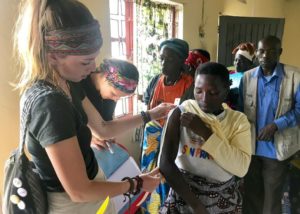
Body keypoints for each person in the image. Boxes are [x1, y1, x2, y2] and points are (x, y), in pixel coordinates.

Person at [13, 0, 174, 213]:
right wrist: (136, 184)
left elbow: (103, 128)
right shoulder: (50, 104)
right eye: (85, 61)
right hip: (73, 205)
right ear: (53, 56)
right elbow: (79, 191)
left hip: (90, 195)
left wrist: (150, 115)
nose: (92, 68)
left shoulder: (68, 83)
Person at [159, 62, 252, 214]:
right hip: (184, 195)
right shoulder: (181, 113)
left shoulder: (237, 121)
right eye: (198, 91)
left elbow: (240, 168)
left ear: (226, 88)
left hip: (222, 198)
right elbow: (165, 163)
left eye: (213, 92)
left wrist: (204, 132)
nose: (204, 99)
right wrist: (196, 206)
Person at [239, 35, 300, 214]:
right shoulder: (248, 77)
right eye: (261, 51)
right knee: (251, 195)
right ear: (256, 53)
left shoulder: (295, 77)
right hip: (251, 148)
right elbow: (241, 110)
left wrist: (275, 125)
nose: (266, 55)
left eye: (272, 51)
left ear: (280, 52)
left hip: (276, 150)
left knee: (272, 199)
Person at [141, 38, 193, 213]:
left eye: (169, 59)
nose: (163, 63)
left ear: (181, 61)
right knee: (148, 176)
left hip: (174, 141)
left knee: (168, 177)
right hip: (152, 143)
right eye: (162, 58)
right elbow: (148, 108)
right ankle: (150, 208)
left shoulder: (189, 84)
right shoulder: (156, 81)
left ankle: (166, 208)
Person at [81, 58, 140, 150]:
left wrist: (110, 136)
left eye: (120, 97)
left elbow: (107, 124)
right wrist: (90, 138)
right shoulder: (79, 86)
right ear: (105, 78)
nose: (116, 99)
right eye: (114, 94)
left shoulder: (110, 98)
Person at [228, 42, 256, 109]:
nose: (237, 63)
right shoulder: (229, 74)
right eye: (236, 60)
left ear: (250, 64)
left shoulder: (253, 78)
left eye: (241, 61)